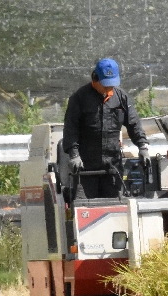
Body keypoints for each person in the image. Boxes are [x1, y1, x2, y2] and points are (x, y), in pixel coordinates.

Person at [62, 58, 150, 199]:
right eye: (105, 84)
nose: (110, 88)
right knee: (85, 210)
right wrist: (74, 155)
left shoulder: (122, 98)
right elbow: (70, 129)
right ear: (95, 78)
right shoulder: (79, 98)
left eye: (112, 84)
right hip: (85, 169)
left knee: (114, 209)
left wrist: (143, 147)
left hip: (112, 169)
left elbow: (134, 124)